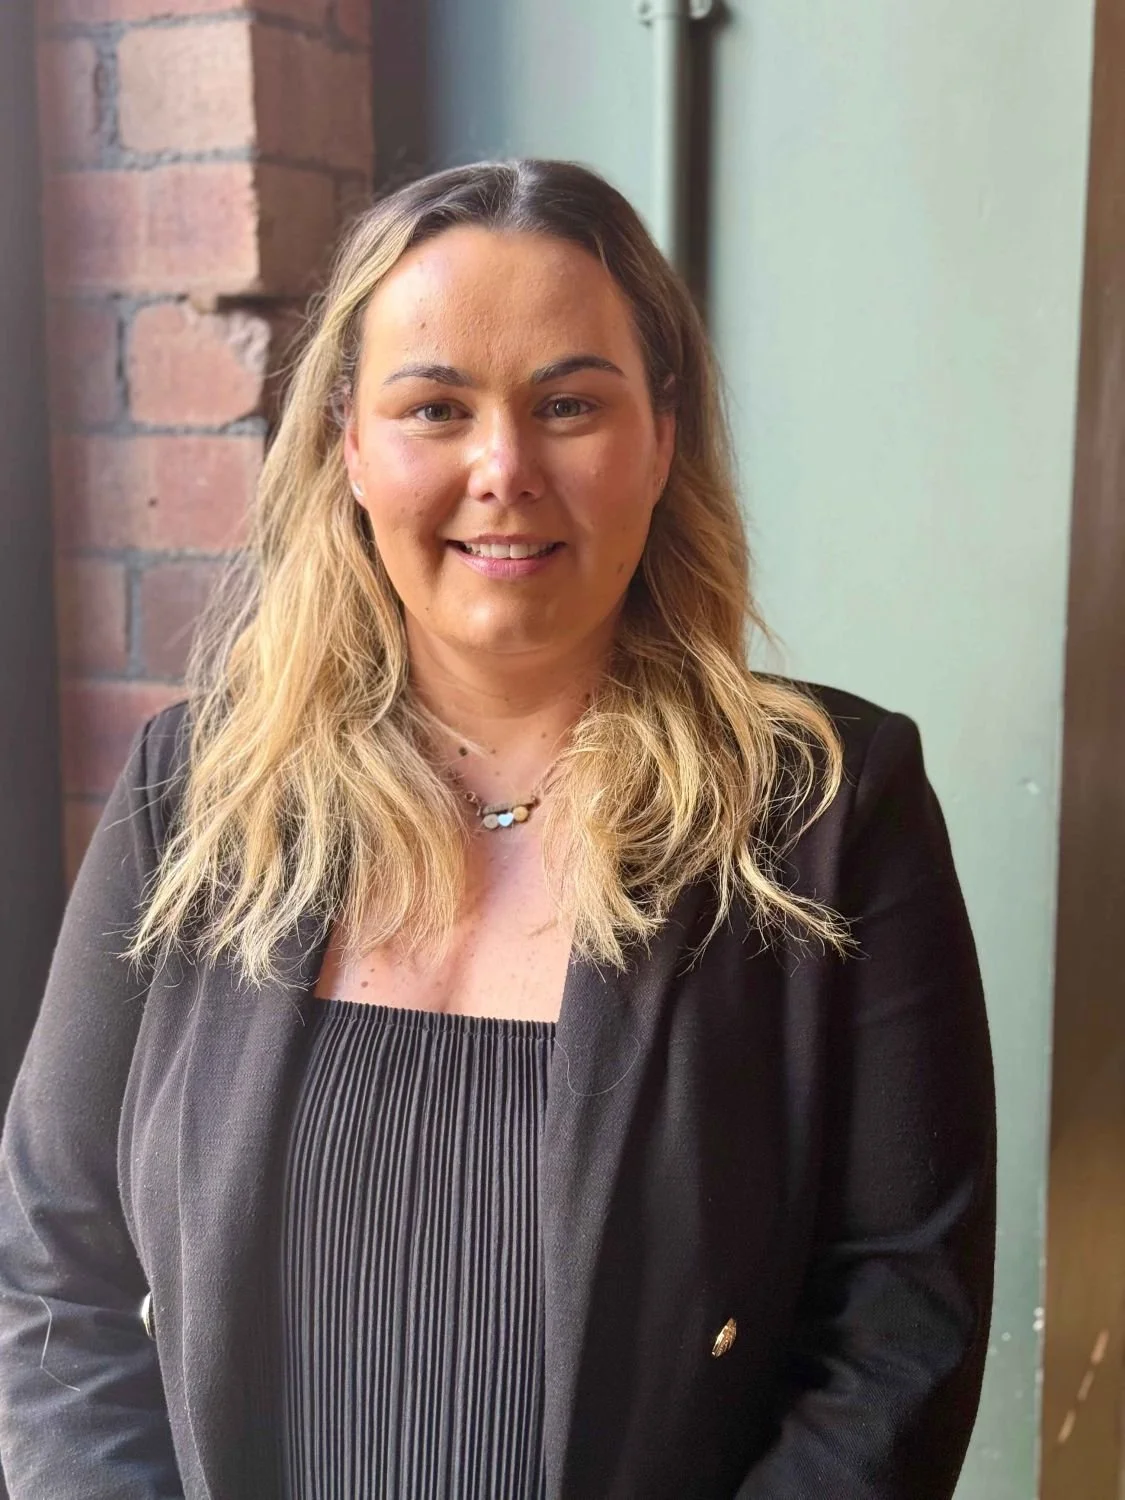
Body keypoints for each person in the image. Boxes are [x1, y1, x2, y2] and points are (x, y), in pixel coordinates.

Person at [0, 158, 995, 1499]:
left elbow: (897, 1330)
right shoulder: (199, 788)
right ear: (351, 443)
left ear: (661, 436)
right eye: (437, 407)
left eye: (570, 403)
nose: (504, 468)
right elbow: (54, 1260)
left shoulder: (826, 807)